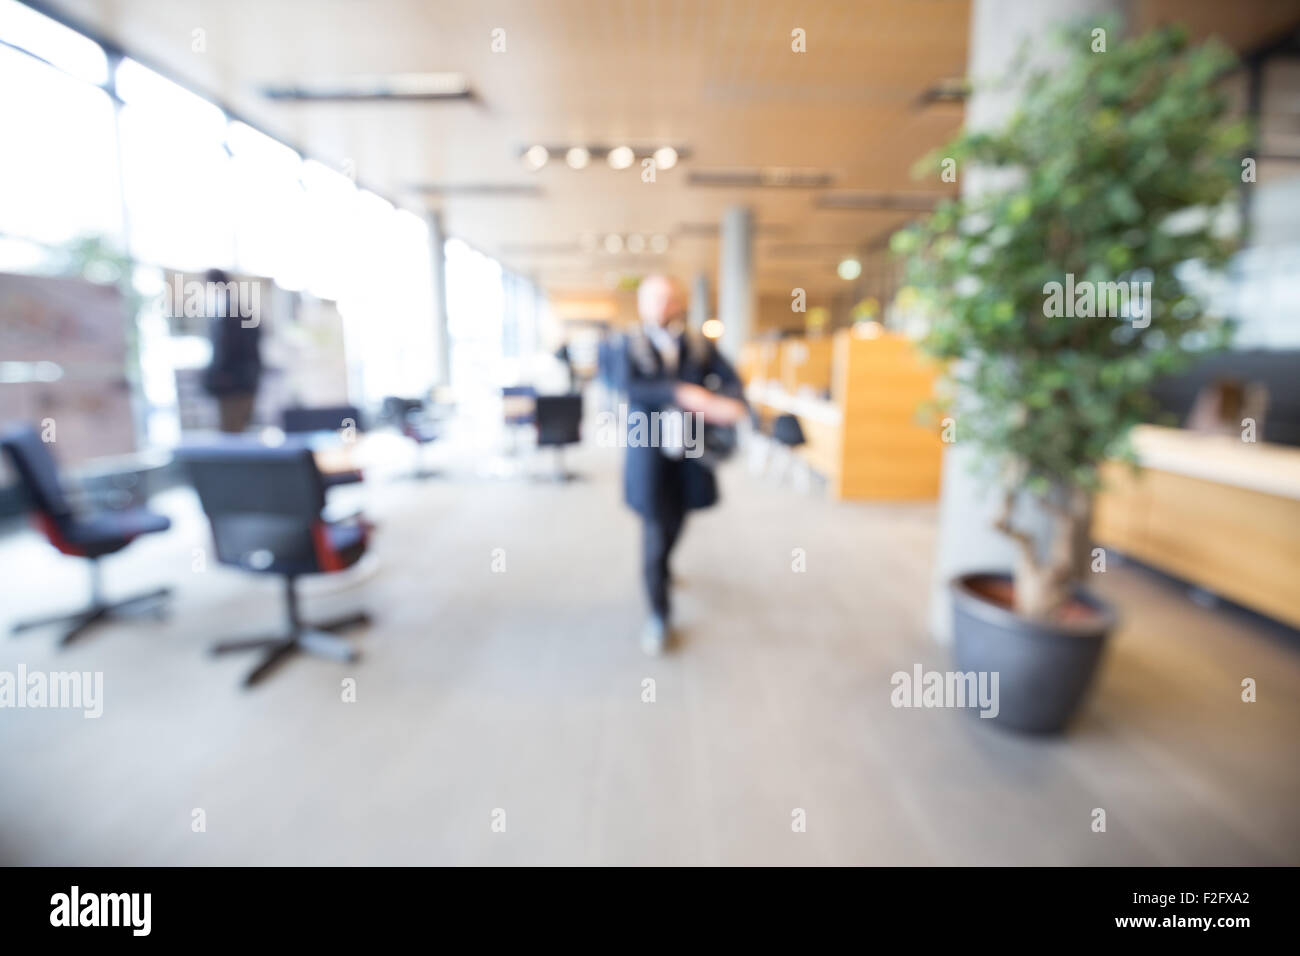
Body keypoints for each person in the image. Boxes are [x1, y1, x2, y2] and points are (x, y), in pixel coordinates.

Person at [621, 275, 747, 655]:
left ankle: (664, 568)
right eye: (654, 299)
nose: (662, 306)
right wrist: (683, 393)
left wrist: (729, 402)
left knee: (679, 518)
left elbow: (732, 379)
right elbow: (628, 386)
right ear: (642, 304)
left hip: (691, 449)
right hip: (650, 451)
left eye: (668, 299)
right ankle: (659, 615)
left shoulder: (696, 343)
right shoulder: (626, 344)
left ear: (677, 303)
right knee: (656, 530)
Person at [200, 269, 262, 433]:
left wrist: (215, 378)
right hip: (242, 385)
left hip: (234, 387)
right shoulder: (237, 311)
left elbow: (225, 352)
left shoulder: (231, 314)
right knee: (237, 432)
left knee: (232, 434)